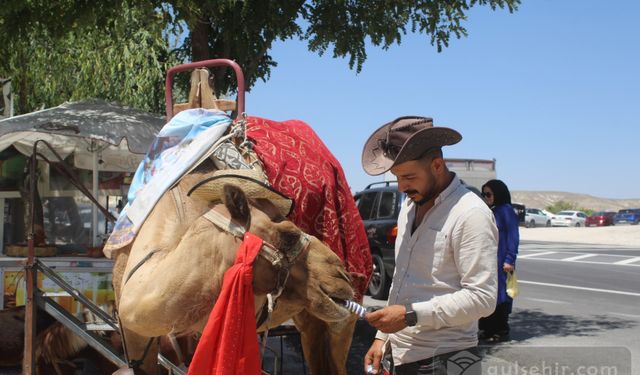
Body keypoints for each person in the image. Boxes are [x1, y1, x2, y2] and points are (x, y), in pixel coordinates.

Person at [361, 116, 498, 375]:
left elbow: (483, 298)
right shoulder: (409, 207)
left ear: (437, 165)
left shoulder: (470, 213)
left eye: (409, 176)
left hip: (448, 359)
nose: (402, 186)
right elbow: (402, 279)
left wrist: (410, 315)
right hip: (401, 355)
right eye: (397, 177)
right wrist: (382, 337)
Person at [478, 179, 519, 343]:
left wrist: (509, 259)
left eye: (489, 194)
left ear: (498, 194)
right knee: (488, 293)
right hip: (489, 262)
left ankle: (500, 330)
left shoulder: (506, 211)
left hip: (502, 261)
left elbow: (513, 237)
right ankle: (487, 329)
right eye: (484, 194)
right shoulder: (491, 210)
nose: (486, 197)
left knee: (501, 296)